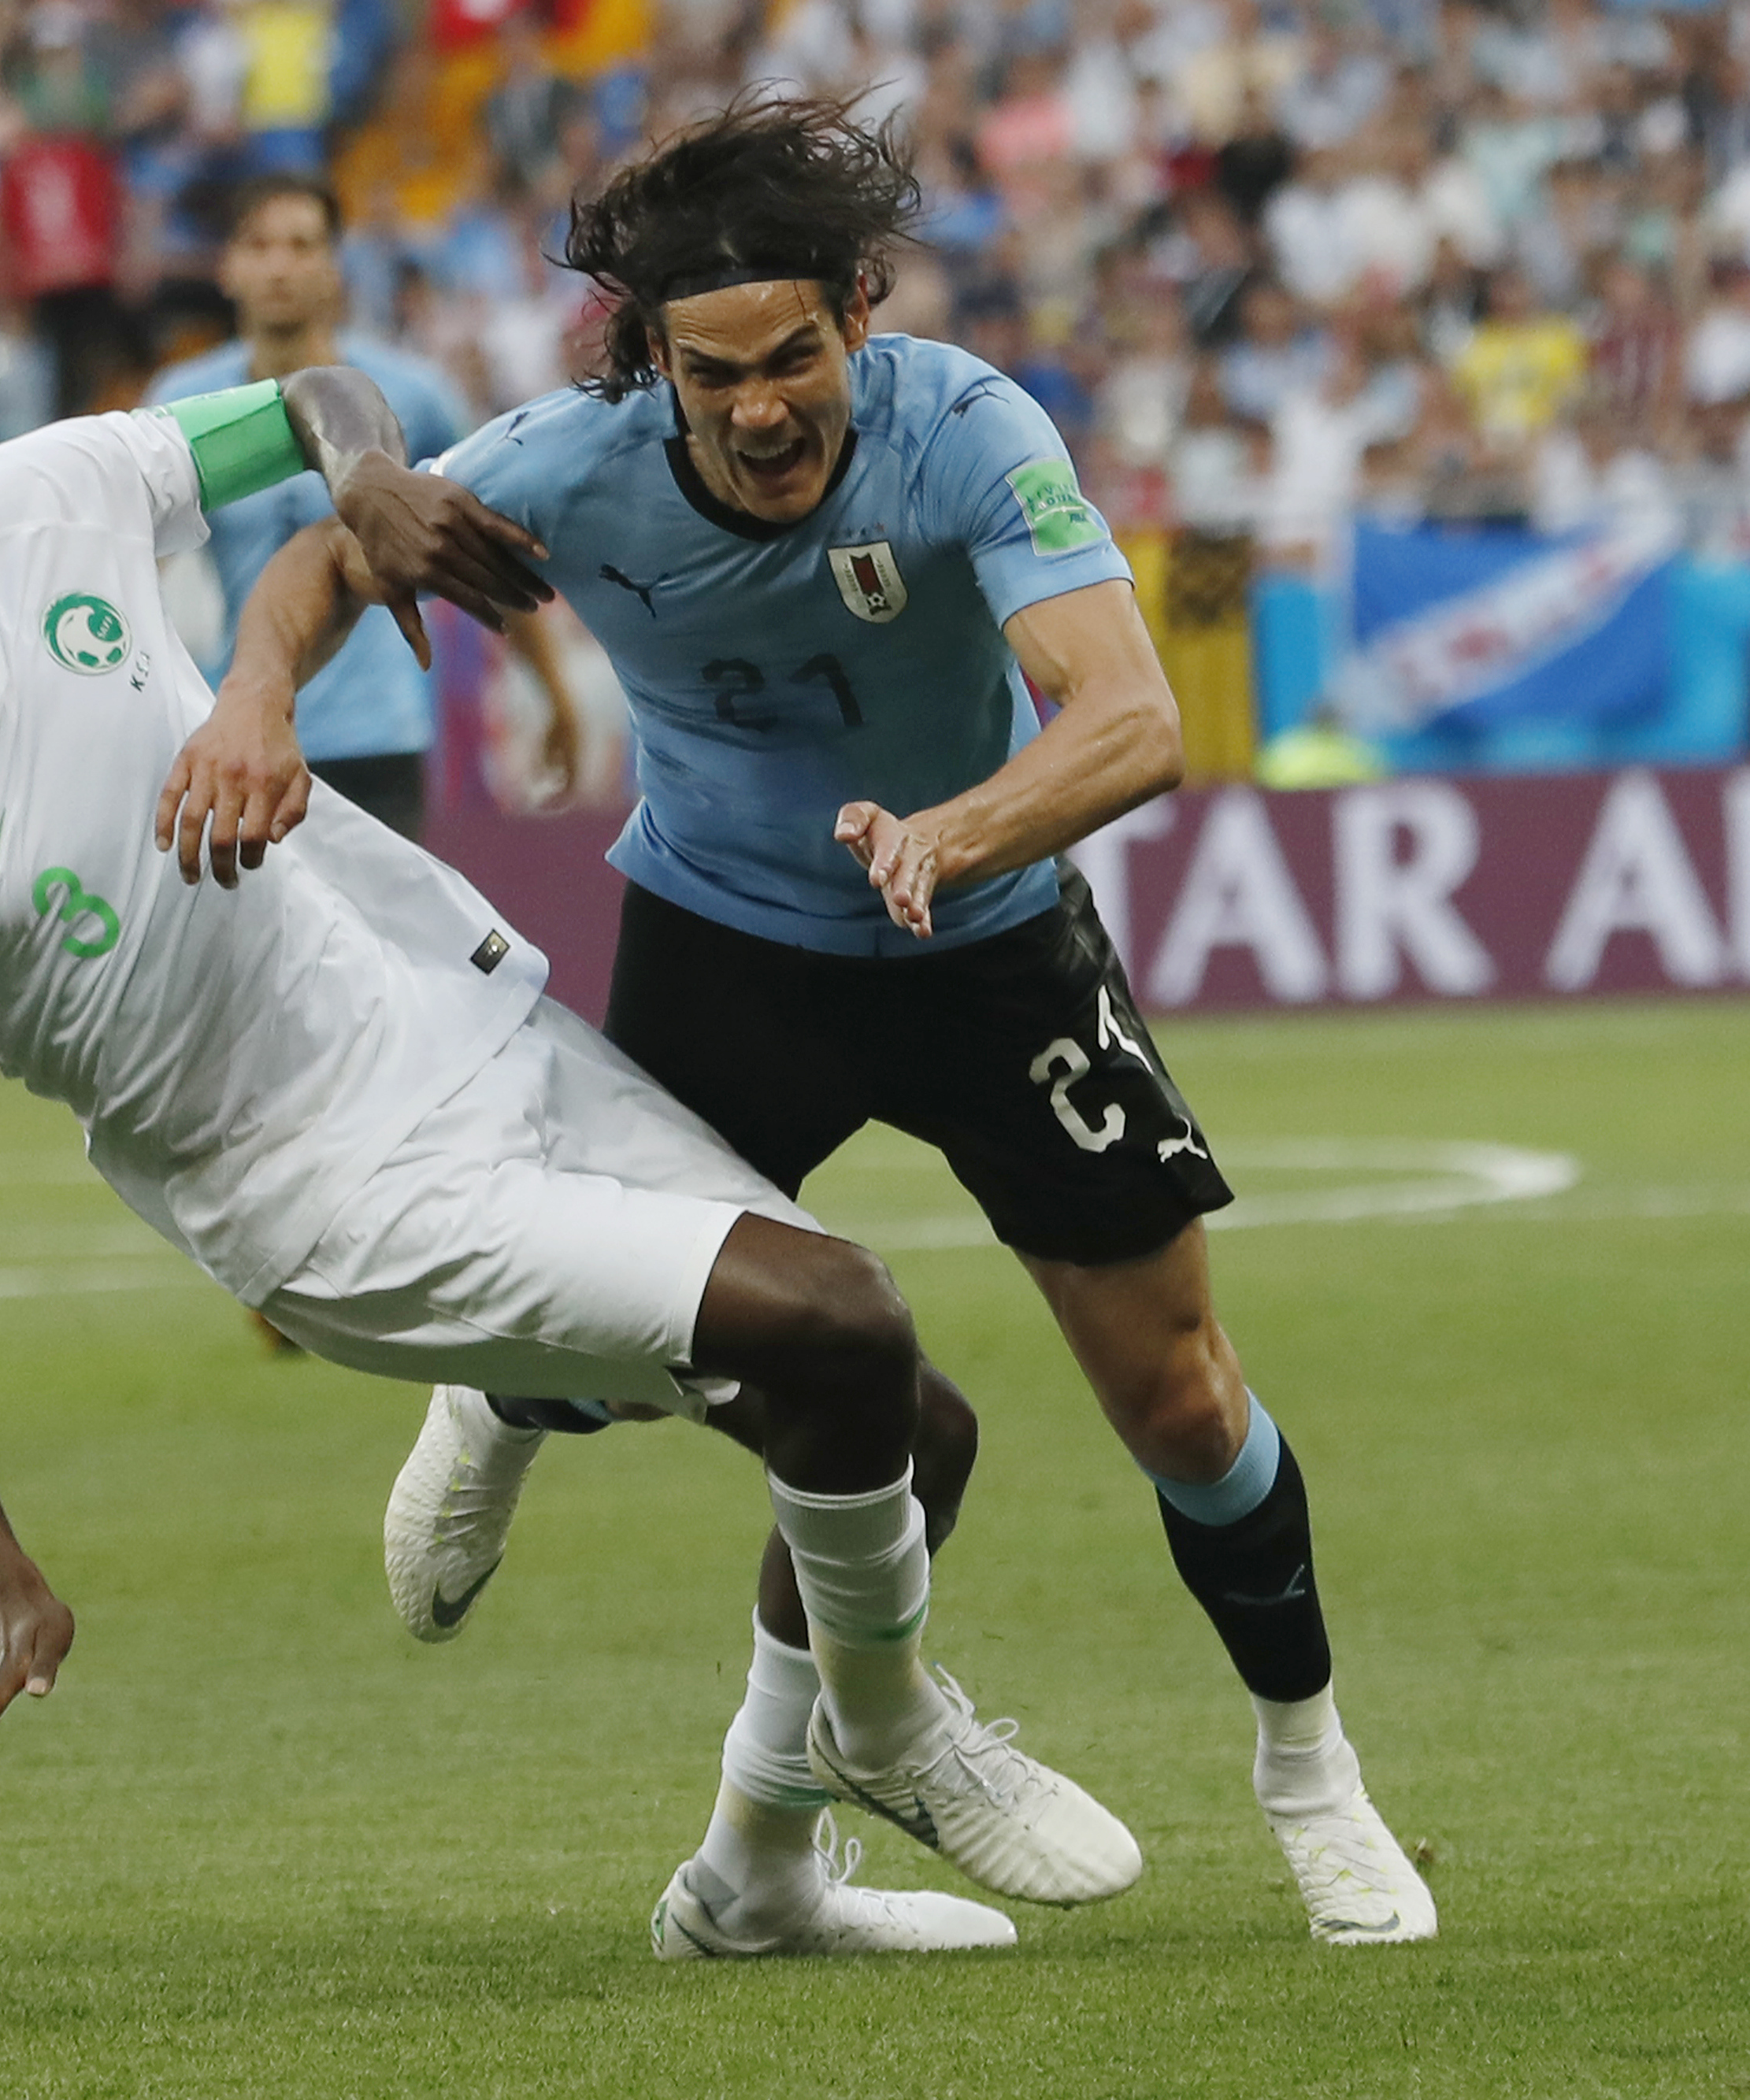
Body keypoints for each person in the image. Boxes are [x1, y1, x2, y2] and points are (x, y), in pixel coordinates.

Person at [0, 369, 1146, 1958]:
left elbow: (312, 395)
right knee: (842, 1317)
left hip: (440, 1011)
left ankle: (753, 1880)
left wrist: (365, 473)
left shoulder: (33, 500)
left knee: (905, 1434)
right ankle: (882, 1721)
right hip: (313, 1192)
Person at [218, 98, 1434, 1946]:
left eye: (797, 356)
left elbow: (1127, 718)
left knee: (1181, 1398)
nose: (765, 404)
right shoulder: (572, 458)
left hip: (989, 942)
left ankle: (1309, 1774)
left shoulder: (963, 429)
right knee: (619, 1336)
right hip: (727, 951)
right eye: (716, 374)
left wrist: (955, 829)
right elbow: (331, 561)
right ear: (653, 367)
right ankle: (502, 1407)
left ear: (858, 317)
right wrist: (250, 700)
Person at [145, 175, 581, 841]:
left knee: (386, 946)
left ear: (335, 266)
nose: (280, 266)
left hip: (377, 733)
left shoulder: (411, 393)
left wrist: (554, 695)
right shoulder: (184, 403)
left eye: (301, 245)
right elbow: (137, 563)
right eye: (260, 246)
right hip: (236, 731)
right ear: (228, 267)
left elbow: (487, 547)